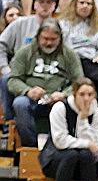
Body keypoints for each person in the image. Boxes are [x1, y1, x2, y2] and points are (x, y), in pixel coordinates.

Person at [6, 18, 83, 148]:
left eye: (53, 39)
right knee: (20, 103)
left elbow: (79, 82)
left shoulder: (69, 55)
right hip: (32, 99)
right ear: (38, 36)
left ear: (60, 38)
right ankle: (31, 148)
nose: (48, 43)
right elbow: (13, 80)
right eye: (45, 38)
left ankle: (60, 147)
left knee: (70, 104)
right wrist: (27, 91)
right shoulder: (25, 52)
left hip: (57, 100)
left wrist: (64, 94)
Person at [38, 77, 98, 181]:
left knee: (85, 154)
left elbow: (93, 143)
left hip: (83, 165)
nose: (86, 99)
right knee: (72, 154)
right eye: (82, 94)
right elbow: (60, 141)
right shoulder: (60, 107)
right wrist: (88, 144)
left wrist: (83, 118)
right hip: (55, 160)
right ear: (74, 94)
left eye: (90, 95)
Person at [59, 0, 98, 85]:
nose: (85, 6)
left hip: (92, 61)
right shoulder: (64, 23)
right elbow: (62, 45)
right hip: (72, 60)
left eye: (89, 4)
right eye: (82, 3)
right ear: (75, 5)